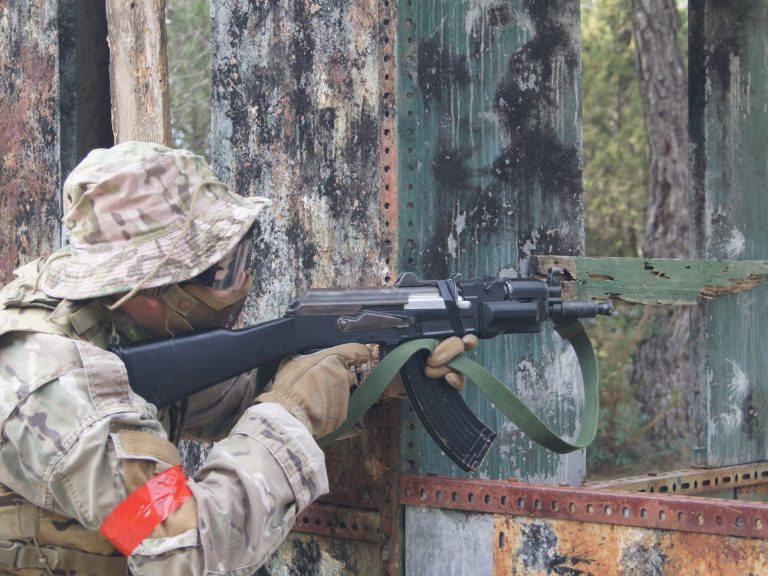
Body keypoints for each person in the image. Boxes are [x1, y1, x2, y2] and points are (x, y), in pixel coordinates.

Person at [0, 142, 475, 575]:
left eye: (241, 256)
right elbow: (187, 551)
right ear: (142, 289)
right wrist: (289, 414)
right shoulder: (52, 389)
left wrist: (372, 369)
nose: (239, 284)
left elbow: (224, 395)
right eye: (219, 271)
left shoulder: (105, 321)